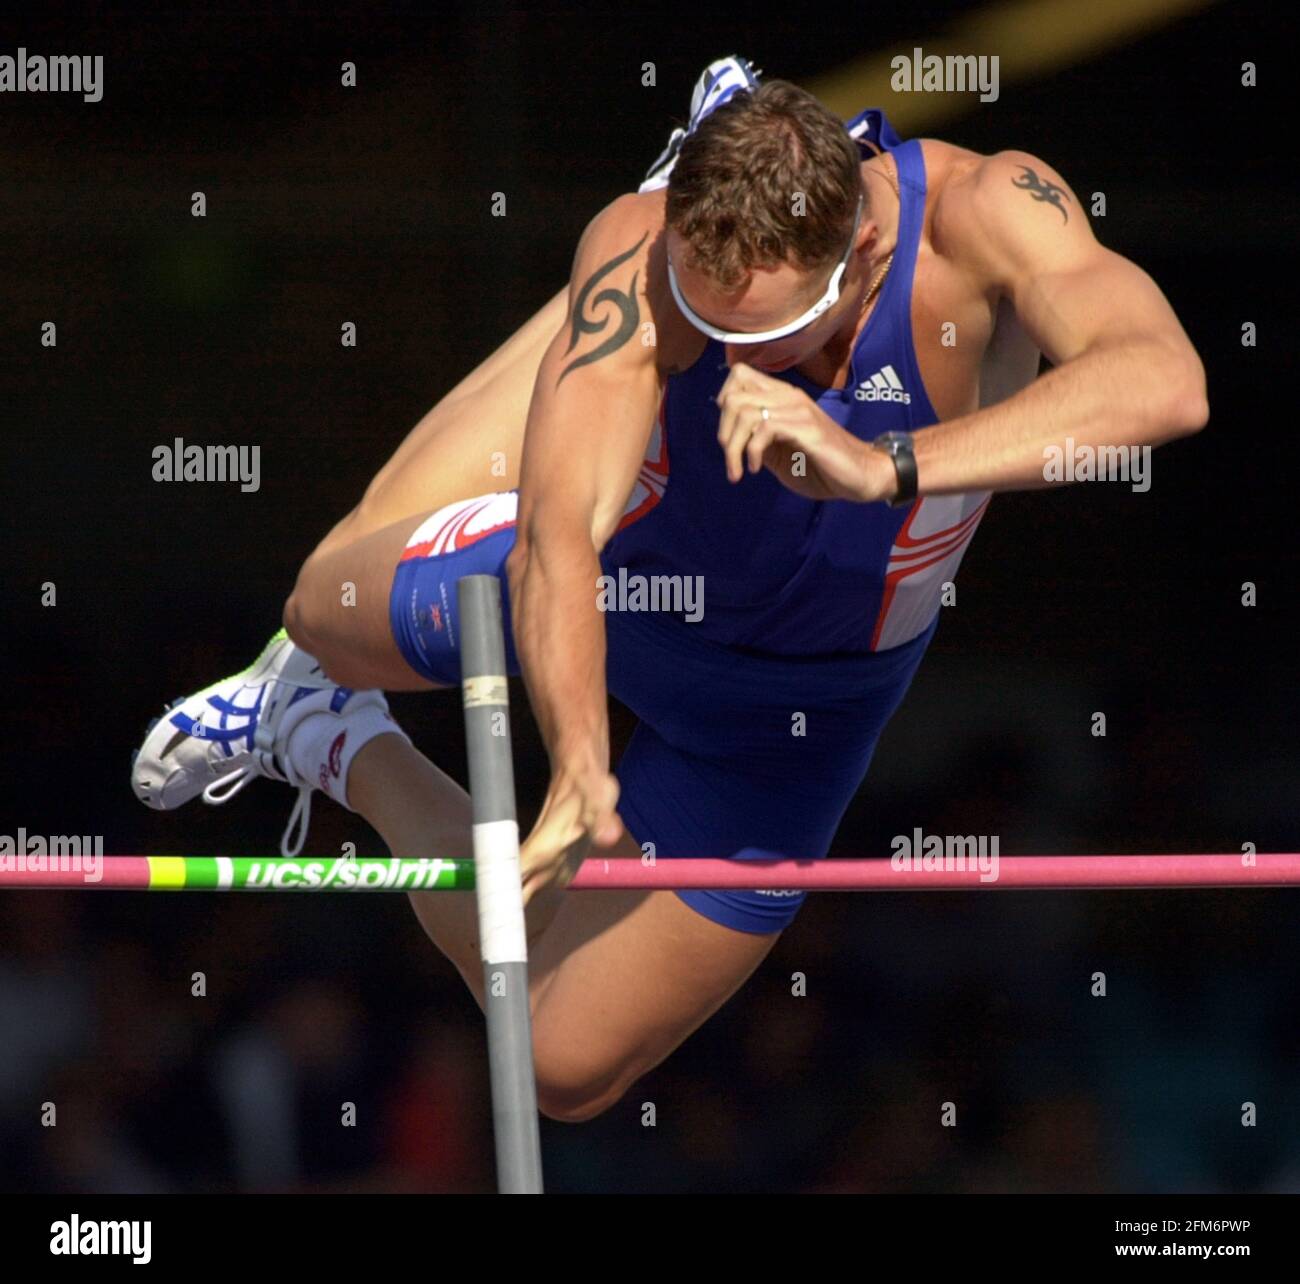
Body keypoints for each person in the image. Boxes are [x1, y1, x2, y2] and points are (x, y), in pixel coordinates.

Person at [131, 57, 1207, 1122]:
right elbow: (560, 546)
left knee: (556, 1065)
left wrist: (888, 464)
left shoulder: (988, 214)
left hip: (801, 709)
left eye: (756, 333)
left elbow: (1164, 382)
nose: (728, 355)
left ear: (862, 253)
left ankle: (330, 734)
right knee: (324, 605)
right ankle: (387, 606)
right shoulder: (647, 255)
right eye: (707, 319)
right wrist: (579, 772)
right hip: (629, 593)